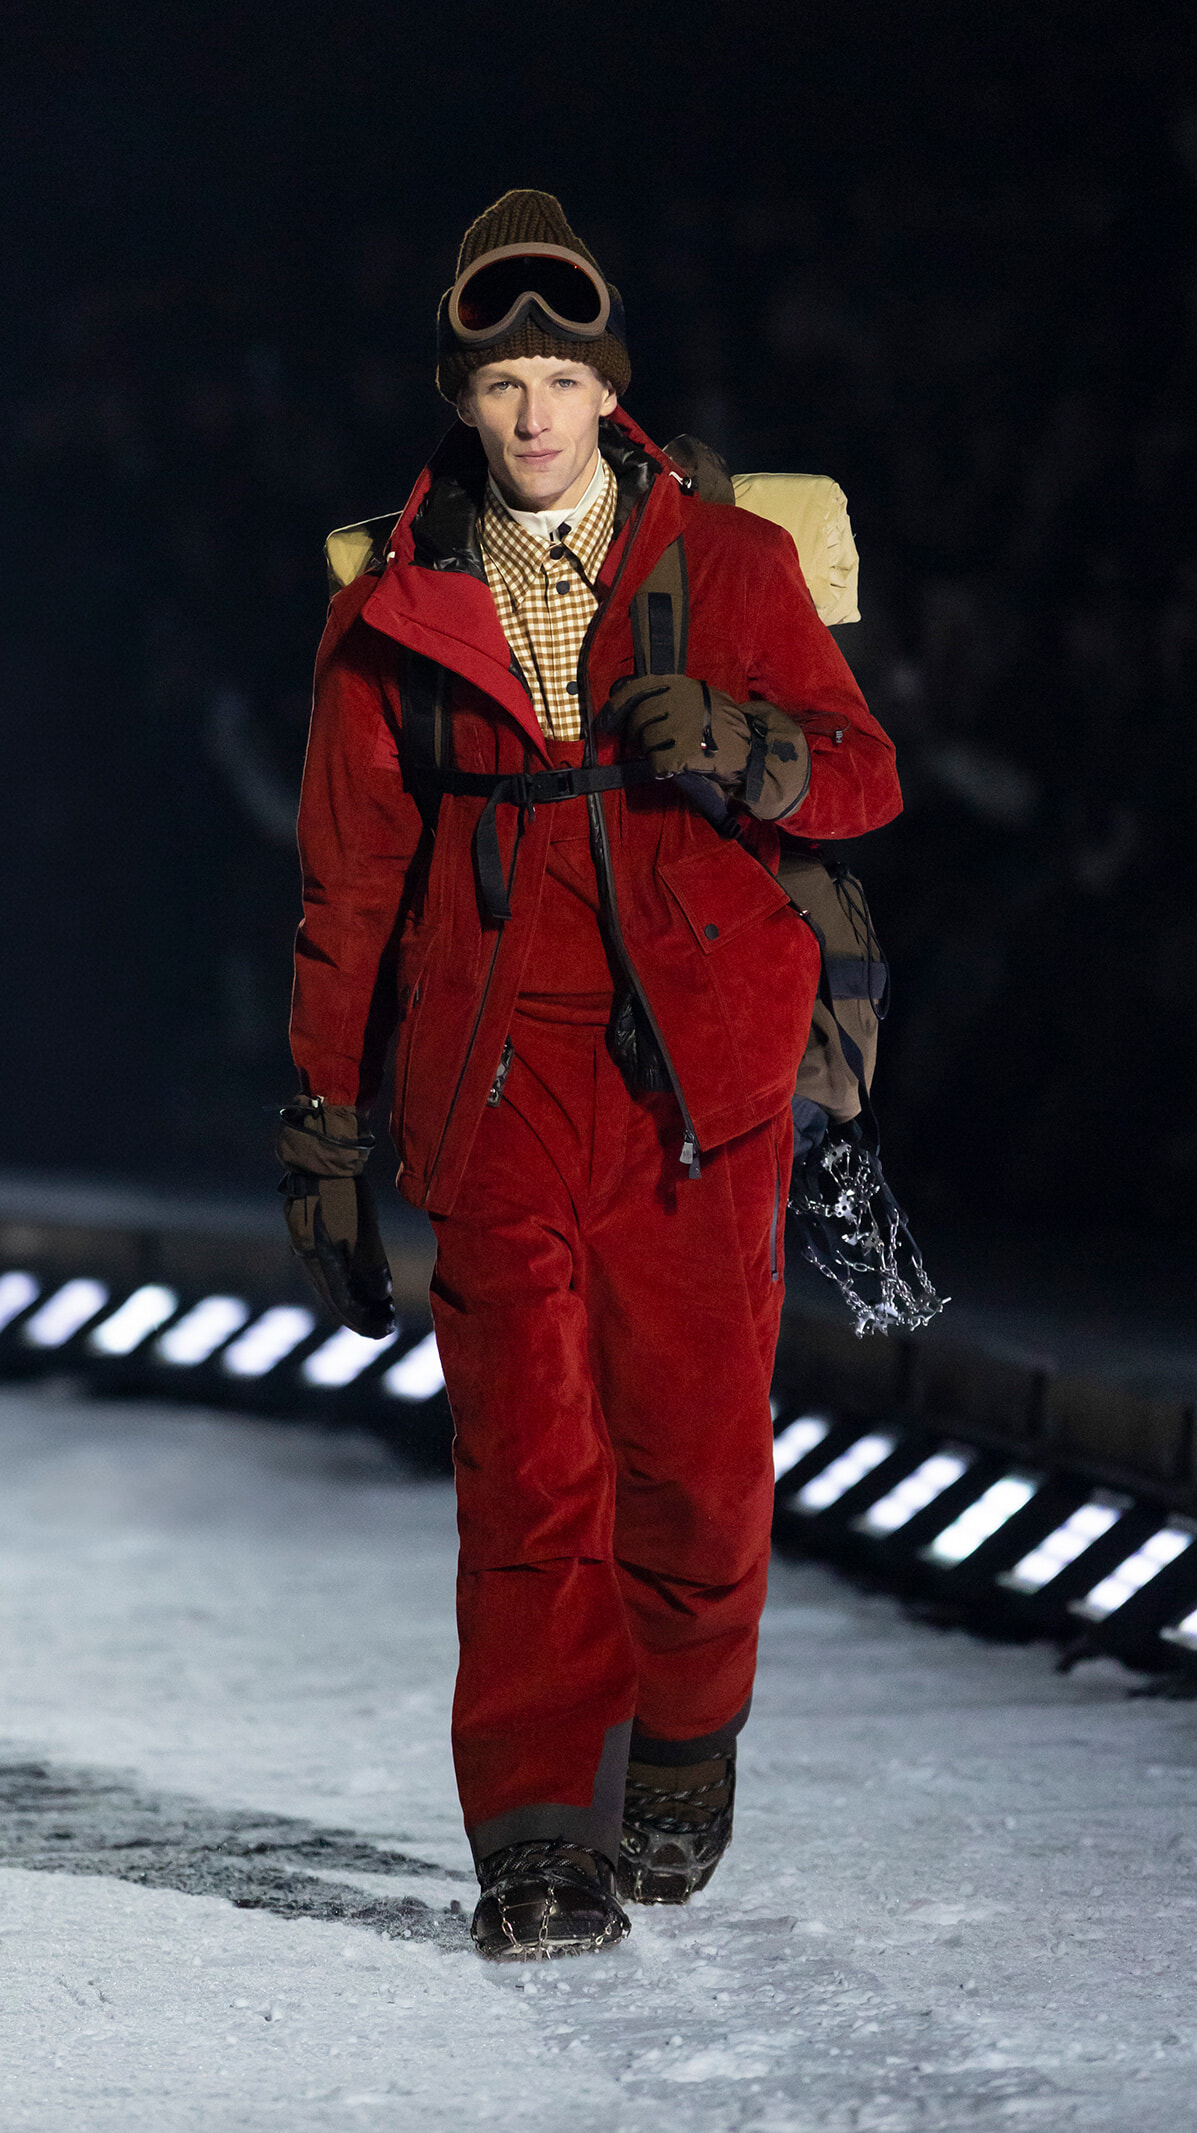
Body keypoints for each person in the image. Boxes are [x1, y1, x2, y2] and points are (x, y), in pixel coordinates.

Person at [277, 189, 901, 1961]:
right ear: (461, 401)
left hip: (701, 1073)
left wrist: (751, 743)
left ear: (606, 386)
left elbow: (865, 784)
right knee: (530, 1475)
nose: (536, 411)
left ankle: (686, 1741)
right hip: (492, 1080)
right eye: (503, 381)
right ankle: (537, 1834)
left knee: (697, 1463)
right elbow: (347, 884)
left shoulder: (730, 566)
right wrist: (324, 1122)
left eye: (562, 373)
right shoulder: (399, 607)